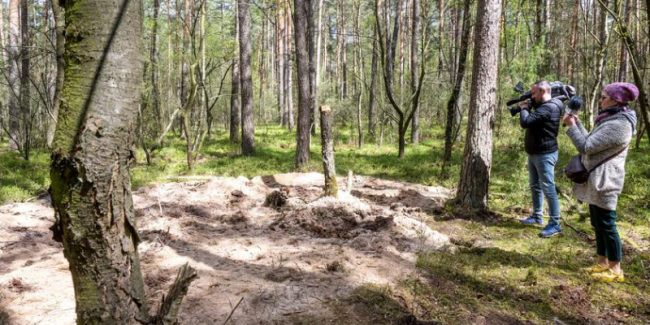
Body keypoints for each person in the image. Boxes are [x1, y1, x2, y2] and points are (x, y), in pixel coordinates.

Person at [563, 82, 638, 282]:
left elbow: (586, 146)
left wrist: (570, 127)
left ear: (616, 100)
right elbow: (591, 140)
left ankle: (615, 269)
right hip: (597, 179)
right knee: (597, 223)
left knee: (607, 224)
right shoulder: (610, 119)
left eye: (603, 97)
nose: (601, 100)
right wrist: (577, 124)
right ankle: (602, 262)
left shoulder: (620, 124)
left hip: (607, 181)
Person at [516, 81, 564, 237]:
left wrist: (524, 108)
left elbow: (526, 122)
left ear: (544, 91)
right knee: (535, 186)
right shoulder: (546, 105)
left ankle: (555, 223)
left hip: (545, 154)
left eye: (534, 93)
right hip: (536, 152)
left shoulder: (549, 107)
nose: (532, 96)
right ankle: (537, 216)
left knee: (548, 188)